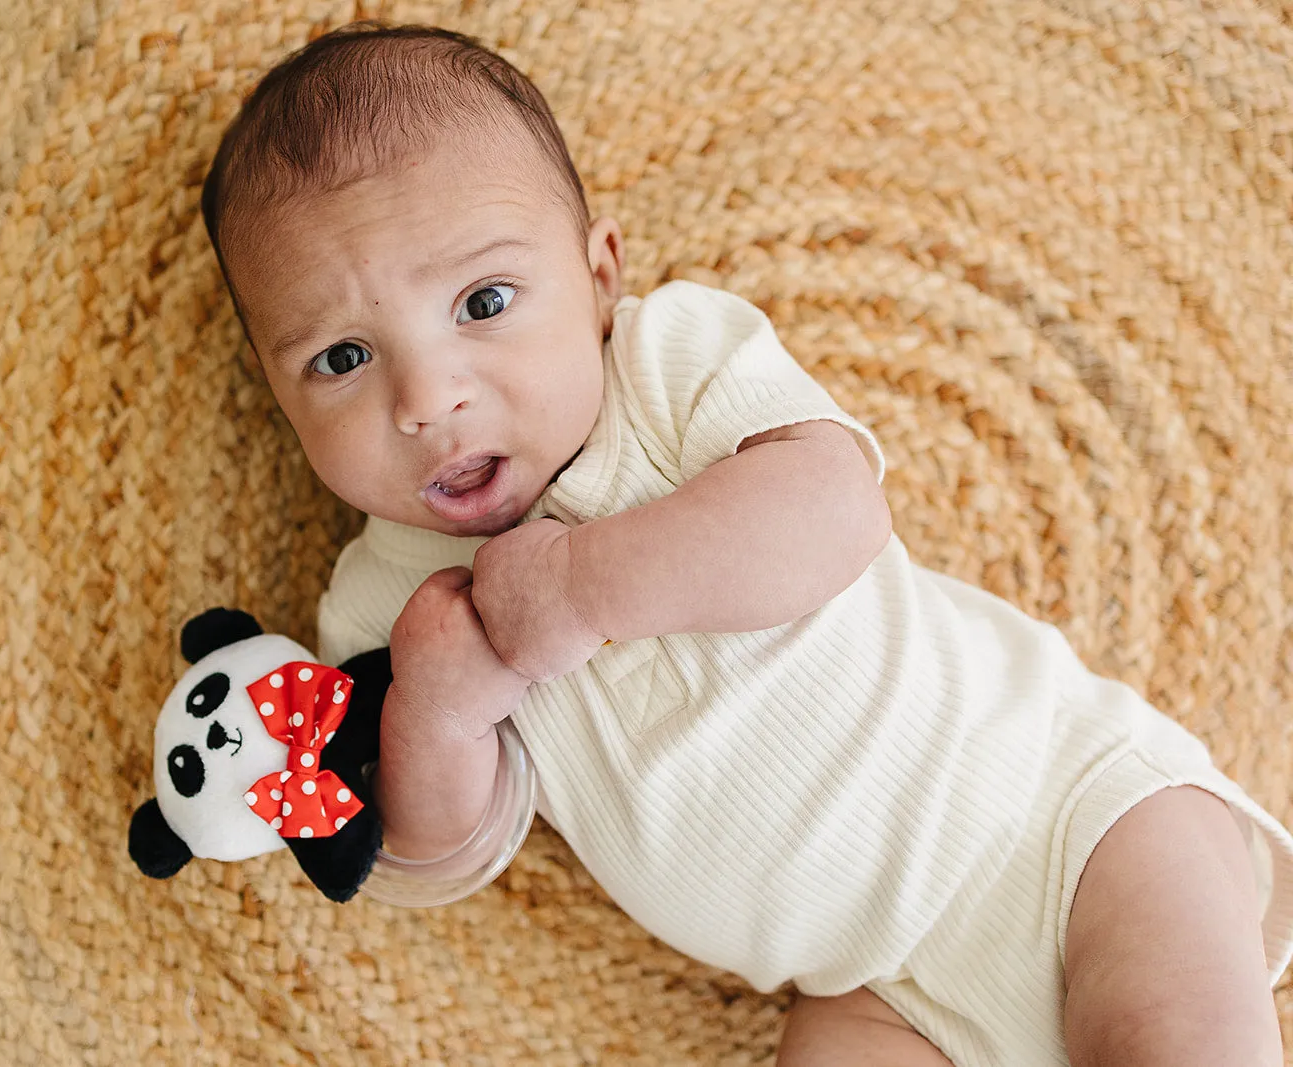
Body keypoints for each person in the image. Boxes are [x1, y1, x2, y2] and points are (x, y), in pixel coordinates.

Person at [197, 20, 1293, 1066]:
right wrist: (437, 703)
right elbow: (431, 857)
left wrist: (582, 588)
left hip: (1062, 818)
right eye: (341, 358)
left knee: (1173, 1037)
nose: (428, 397)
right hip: (870, 987)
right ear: (275, 395)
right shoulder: (386, 604)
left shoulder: (668, 368)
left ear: (599, 277)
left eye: (483, 299)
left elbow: (833, 509)